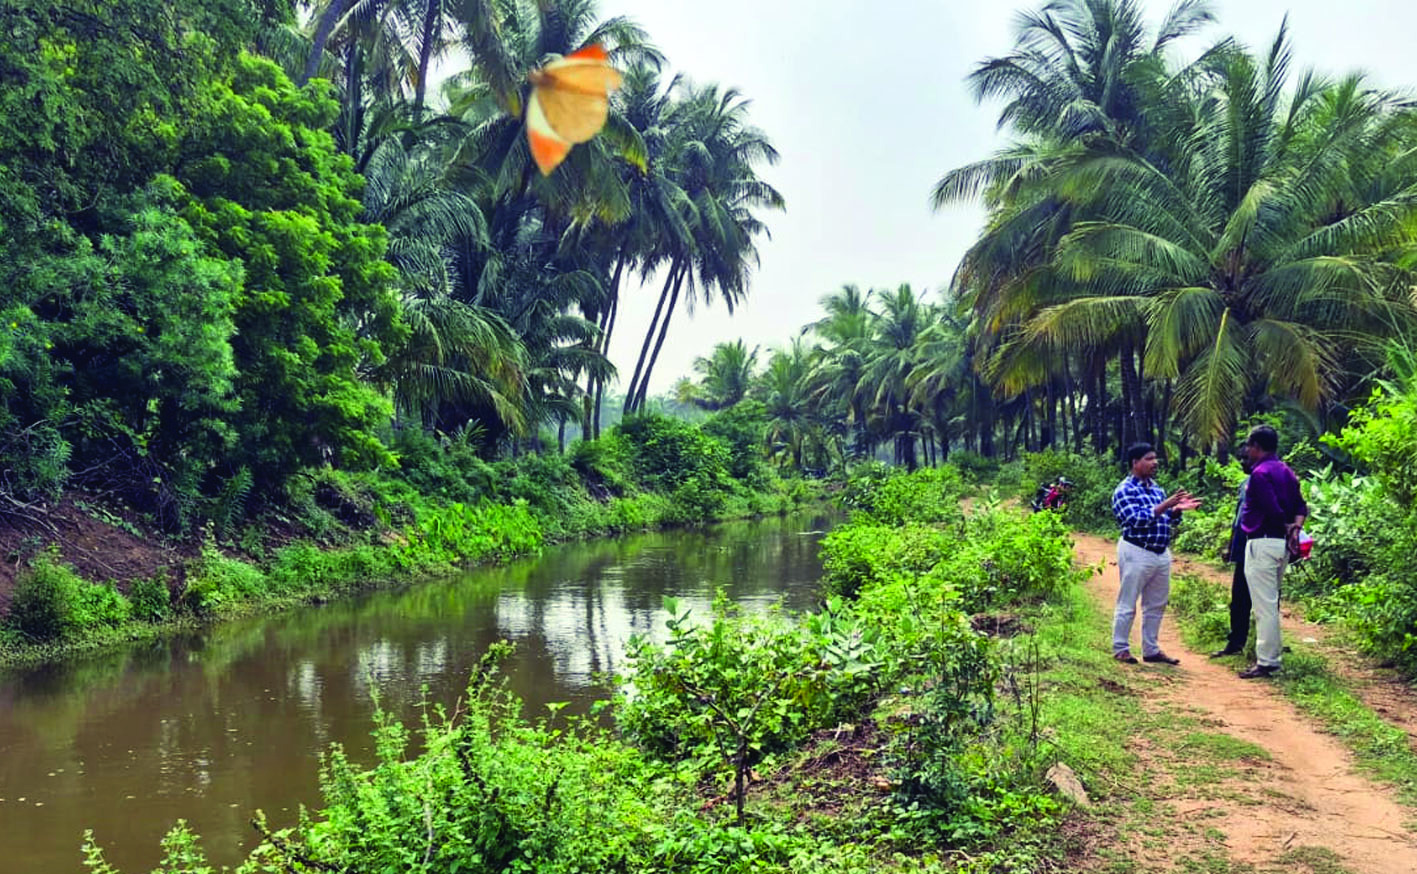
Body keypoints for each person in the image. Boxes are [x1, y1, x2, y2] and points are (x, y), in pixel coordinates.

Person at [1111, 443, 1202, 665]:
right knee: (1128, 600)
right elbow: (1136, 520)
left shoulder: (1157, 489)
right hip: (1136, 550)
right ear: (1135, 462)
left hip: (1160, 553)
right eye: (1149, 459)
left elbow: (1166, 518)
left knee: (1156, 603)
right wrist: (1166, 505)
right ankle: (1120, 647)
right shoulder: (1124, 490)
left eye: (1155, 458)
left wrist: (1176, 510)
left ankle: (1151, 649)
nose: (1155, 463)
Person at [1236, 425, 1307, 679]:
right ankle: (1271, 656)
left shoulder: (1259, 473)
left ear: (1256, 446)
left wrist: (1286, 524)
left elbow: (1271, 508)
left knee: (1264, 605)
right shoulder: (1287, 471)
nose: (1248, 450)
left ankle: (1267, 661)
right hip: (1282, 544)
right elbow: (1301, 505)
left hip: (1262, 541)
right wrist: (1295, 529)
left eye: (1249, 446)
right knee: (1271, 602)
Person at [1210, 456, 1255, 658]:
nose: (1242, 463)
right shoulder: (1244, 483)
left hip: (1258, 543)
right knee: (1239, 596)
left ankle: (1265, 646)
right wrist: (1230, 545)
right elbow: (1238, 516)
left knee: (1264, 598)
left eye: (1245, 458)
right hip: (1241, 543)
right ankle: (1236, 642)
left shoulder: (1267, 480)